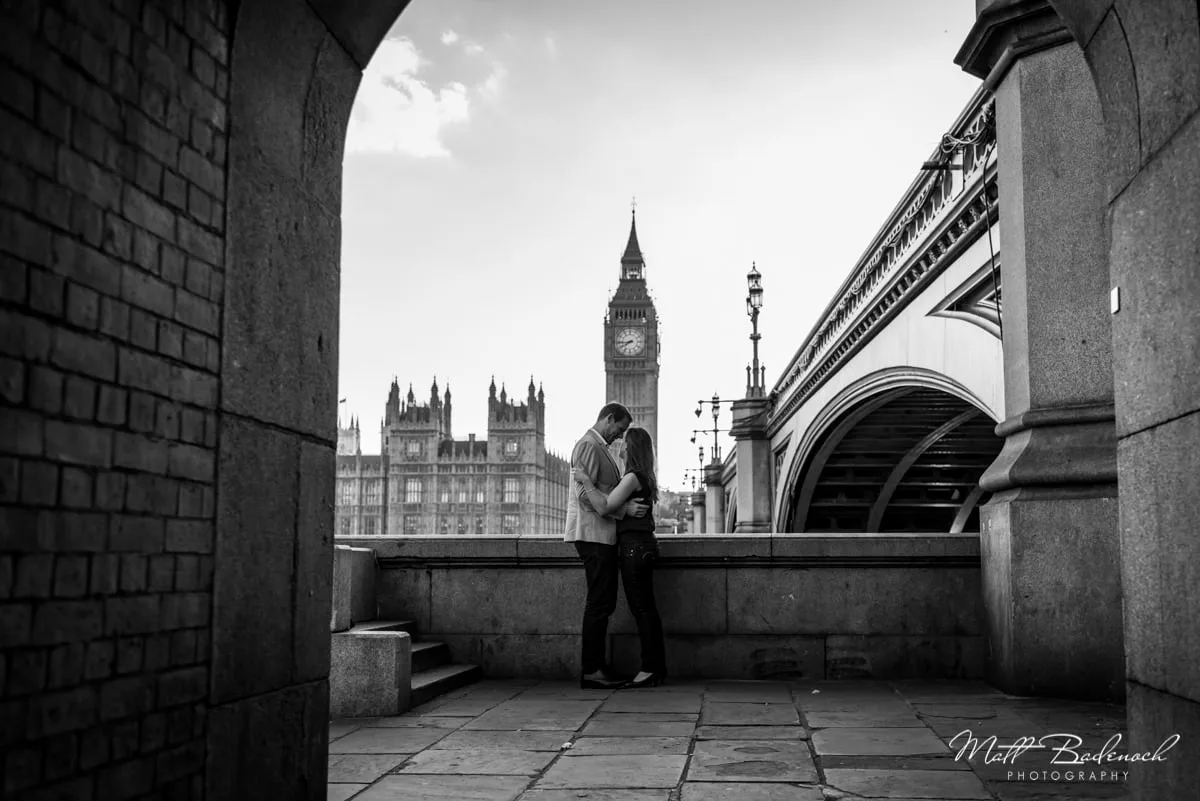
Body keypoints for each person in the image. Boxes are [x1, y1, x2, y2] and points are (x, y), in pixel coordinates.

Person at [572, 426, 666, 689]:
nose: (620, 445)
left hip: (634, 548)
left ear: (631, 448)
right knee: (646, 608)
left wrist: (586, 481)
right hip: (643, 546)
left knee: (642, 609)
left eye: (625, 442)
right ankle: (655, 667)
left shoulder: (632, 478)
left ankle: (650, 668)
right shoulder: (643, 476)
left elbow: (604, 507)